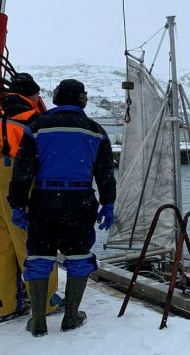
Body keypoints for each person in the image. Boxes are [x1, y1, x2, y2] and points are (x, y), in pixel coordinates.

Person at [8, 79, 116, 336]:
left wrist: (17, 205)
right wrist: (108, 203)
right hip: (80, 201)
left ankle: (38, 322)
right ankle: (70, 318)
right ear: (82, 99)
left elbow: (22, 171)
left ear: (56, 98)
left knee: (39, 257)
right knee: (79, 256)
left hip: (45, 200)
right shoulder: (96, 130)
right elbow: (105, 173)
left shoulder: (37, 127)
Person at [0, 72, 60, 322]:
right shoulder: (32, 120)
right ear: (31, 95)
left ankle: (5, 306)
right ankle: (45, 303)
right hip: (19, 187)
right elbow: (43, 159)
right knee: (36, 246)